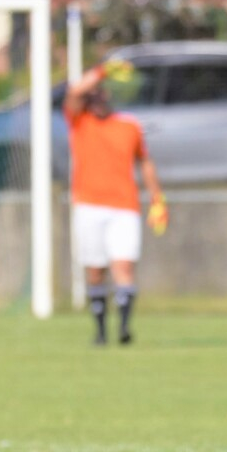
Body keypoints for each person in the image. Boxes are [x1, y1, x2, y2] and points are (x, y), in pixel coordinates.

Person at [64, 59, 166, 346]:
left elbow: (145, 162)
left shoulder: (128, 126)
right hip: (88, 206)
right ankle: (100, 332)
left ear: (108, 95)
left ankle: (123, 327)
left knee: (124, 267)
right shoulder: (79, 122)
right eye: (91, 95)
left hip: (124, 207)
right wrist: (103, 70)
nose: (95, 99)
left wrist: (157, 198)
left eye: (100, 92)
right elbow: (74, 92)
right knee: (95, 271)